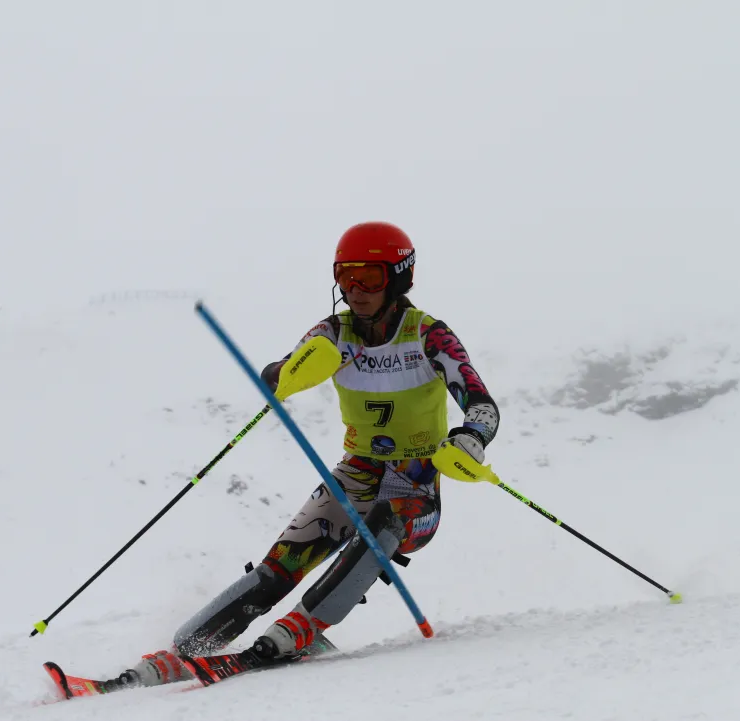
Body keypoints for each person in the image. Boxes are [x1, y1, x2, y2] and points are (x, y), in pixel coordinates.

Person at [102, 221, 500, 689]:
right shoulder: (335, 331)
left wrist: (470, 438)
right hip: (357, 471)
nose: (356, 290)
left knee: (381, 527)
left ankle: (299, 632)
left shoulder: (429, 335)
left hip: (415, 480)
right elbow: (292, 364)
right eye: (345, 277)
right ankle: (183, 651)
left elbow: (482, 404)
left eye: (369, 278)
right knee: (281, 564)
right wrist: (283, 375)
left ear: (399, 278)